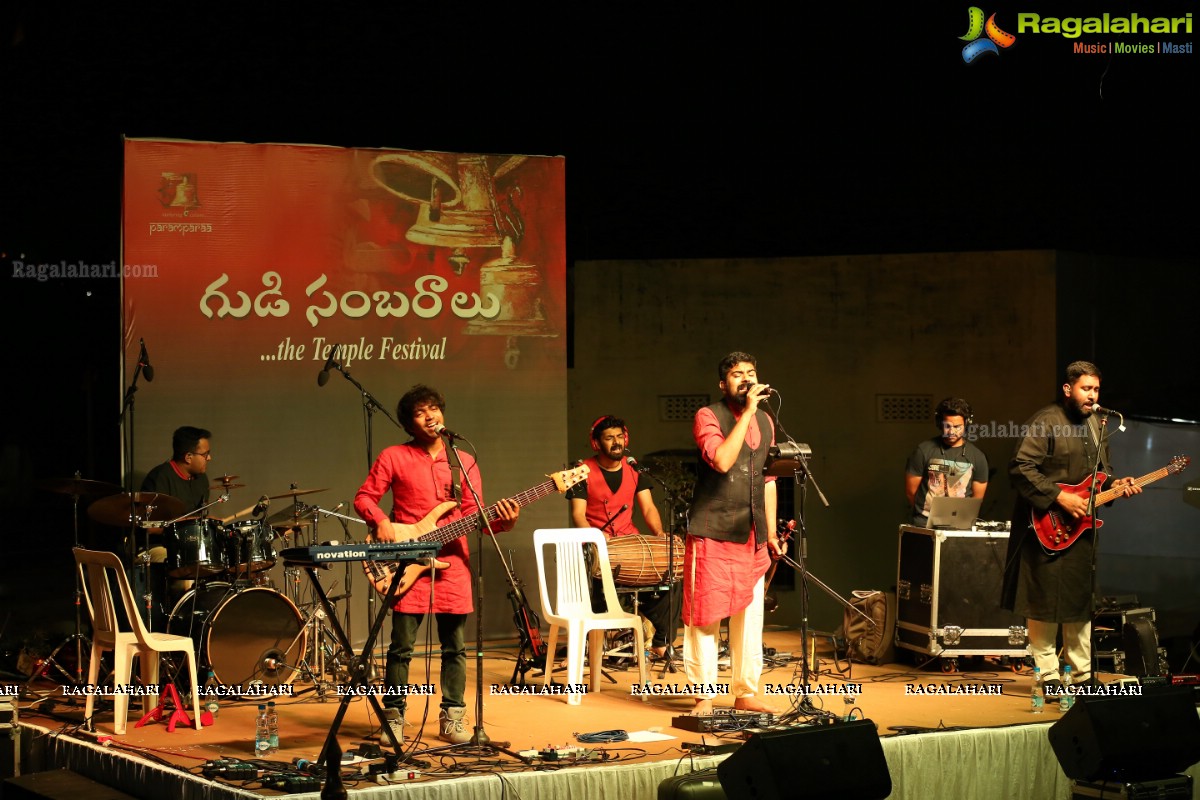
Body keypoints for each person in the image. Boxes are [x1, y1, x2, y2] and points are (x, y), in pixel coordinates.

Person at [354, 384, 519, 745]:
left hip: (452, 563)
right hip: (407, 561)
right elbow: (364, 497)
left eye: (434, 409)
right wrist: (380, 521)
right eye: (420, 412)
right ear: (409, 424)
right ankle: (394, 717)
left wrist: (504, 521)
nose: (431, 416)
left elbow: (475, 516)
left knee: (455, 647)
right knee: (401, 646)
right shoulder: (394, 456)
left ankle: (453, 718)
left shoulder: (464, 461)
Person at [1001, 361, 1140, 690]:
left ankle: (1081, 676)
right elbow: (1020, 468)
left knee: (1080, 601)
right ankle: (1047, 677)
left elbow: (1098, 480)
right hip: (1045, 524)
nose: (1092, 396)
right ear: (1068, 389)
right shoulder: (1046, 420)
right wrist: (1059, 498)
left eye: (1095, 390)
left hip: (1081, 530)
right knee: (1042, 600)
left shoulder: (1097, 424)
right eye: (1085, 389)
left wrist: (1117, 486)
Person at [684, 351, 783, 715]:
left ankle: (745, 691)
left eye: (751, 372)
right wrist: (747, 416)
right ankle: (704, 696)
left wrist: (771, 532)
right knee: (706, 616)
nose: (746, 378)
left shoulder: (767, 421)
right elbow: (723, 460)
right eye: (737, 374)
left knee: (750, 617)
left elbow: (769, 479)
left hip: (751, 534)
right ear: (723, 384)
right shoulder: (708, 415)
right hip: (713, 530)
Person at [567, 415, 681, 659]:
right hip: (597, 545)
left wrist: (659, 534)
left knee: (671, 577)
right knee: (597, 583)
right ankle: (593, 642)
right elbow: (578, 514)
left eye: (619, 436)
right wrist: (596, 537)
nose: (616, 442)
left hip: (630, 546)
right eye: (609, 438)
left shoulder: (634, 469)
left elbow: (649, 509)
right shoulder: (581, 470)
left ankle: (662, 641)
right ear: (597, 443)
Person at [904, 398, 989, 526]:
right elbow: (911, 492)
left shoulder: (978, 456)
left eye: (957, 427)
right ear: (939, 423)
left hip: (960, 526)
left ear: (966, 424)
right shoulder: (923, 451)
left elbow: (976, 500)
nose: (952, 432)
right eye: (947, 426)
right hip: (924, 524)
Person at [141, 426, 212, 512]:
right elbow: (152, 521)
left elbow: (201, 517)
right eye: (205, 454)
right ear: (188, 457)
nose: (209, 458)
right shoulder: (159, 478)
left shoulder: (202, 478)